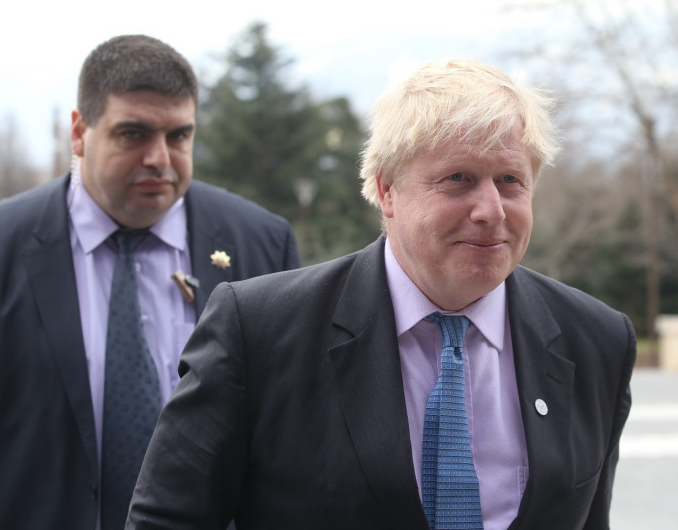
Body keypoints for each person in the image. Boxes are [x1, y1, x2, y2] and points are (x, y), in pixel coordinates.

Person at [127, 58, 636, 529]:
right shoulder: (259, 330)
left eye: (510, 181)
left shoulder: (597, 340)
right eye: (458, 179)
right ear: (387, 189)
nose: (491, 210)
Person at [0, 34, 299, 530]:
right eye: (133, 134)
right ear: (79, 133)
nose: (159, 158)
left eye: (179, 136)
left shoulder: (260, 244)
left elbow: (288, 435)